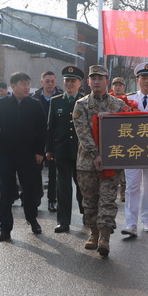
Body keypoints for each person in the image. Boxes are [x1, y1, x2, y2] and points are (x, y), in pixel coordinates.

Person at [73, 65, 130, 256]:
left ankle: (105, 237)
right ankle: (94, 233)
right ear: (88, 81)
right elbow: (82, 132)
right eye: (93, 78)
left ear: (108, 81)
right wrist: (95, 154)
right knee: (90, 201)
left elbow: (133, 127)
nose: (97, 81)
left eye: (101, 78)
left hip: (111, 163)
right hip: (87, 163)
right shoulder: (81, 105)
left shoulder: (119, 105)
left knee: (107, 201)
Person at [0, 72, 47, 242]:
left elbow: (42, 130)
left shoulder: (35, 105)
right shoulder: (1, 104)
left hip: (28, 155)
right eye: (23, 84)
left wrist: (39, 152)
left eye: (28, 83)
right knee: (6, 191)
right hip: (6, 155)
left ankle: (32, 219)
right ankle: (5, 228)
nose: (27, 87)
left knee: (30, 190)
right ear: (13, 86)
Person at [121, 62, 148, 236]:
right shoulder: (128, 100)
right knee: (132, 186)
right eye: (143, 78)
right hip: (132, 150)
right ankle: (130, 223)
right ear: (137, 80)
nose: (146, 81)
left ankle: (147, 220)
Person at [45, 66, 85, 233]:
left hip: (81, 151)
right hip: (61, 151)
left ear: (79, 83)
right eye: (67, 80)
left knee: (82, 185)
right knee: (63, 187)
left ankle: (86, 214)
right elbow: (50, 127)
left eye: (73, 80)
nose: (69, 83)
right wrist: (49, 149)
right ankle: (63, 221)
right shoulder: (56, 101)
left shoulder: (85, 101)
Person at [33, 71, 63, 213]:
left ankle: (52, 200)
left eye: (52, 81)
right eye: (47, 81)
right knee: (35, 170)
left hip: (55, 140)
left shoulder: (61, 97)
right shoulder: (35, 98)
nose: (50, 84)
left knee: (53, 173)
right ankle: (37, 195)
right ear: (42, 82)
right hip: (38, 139)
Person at [109, 76, 128, 202]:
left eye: (120, 85)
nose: (118, 87)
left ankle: (124, 194)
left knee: (124, 169)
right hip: (110, 137)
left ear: (124, 87)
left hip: (124, 137)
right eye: (116, 85)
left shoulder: (128, 101)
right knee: (112, 168)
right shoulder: (107, 99)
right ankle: (112, 192)